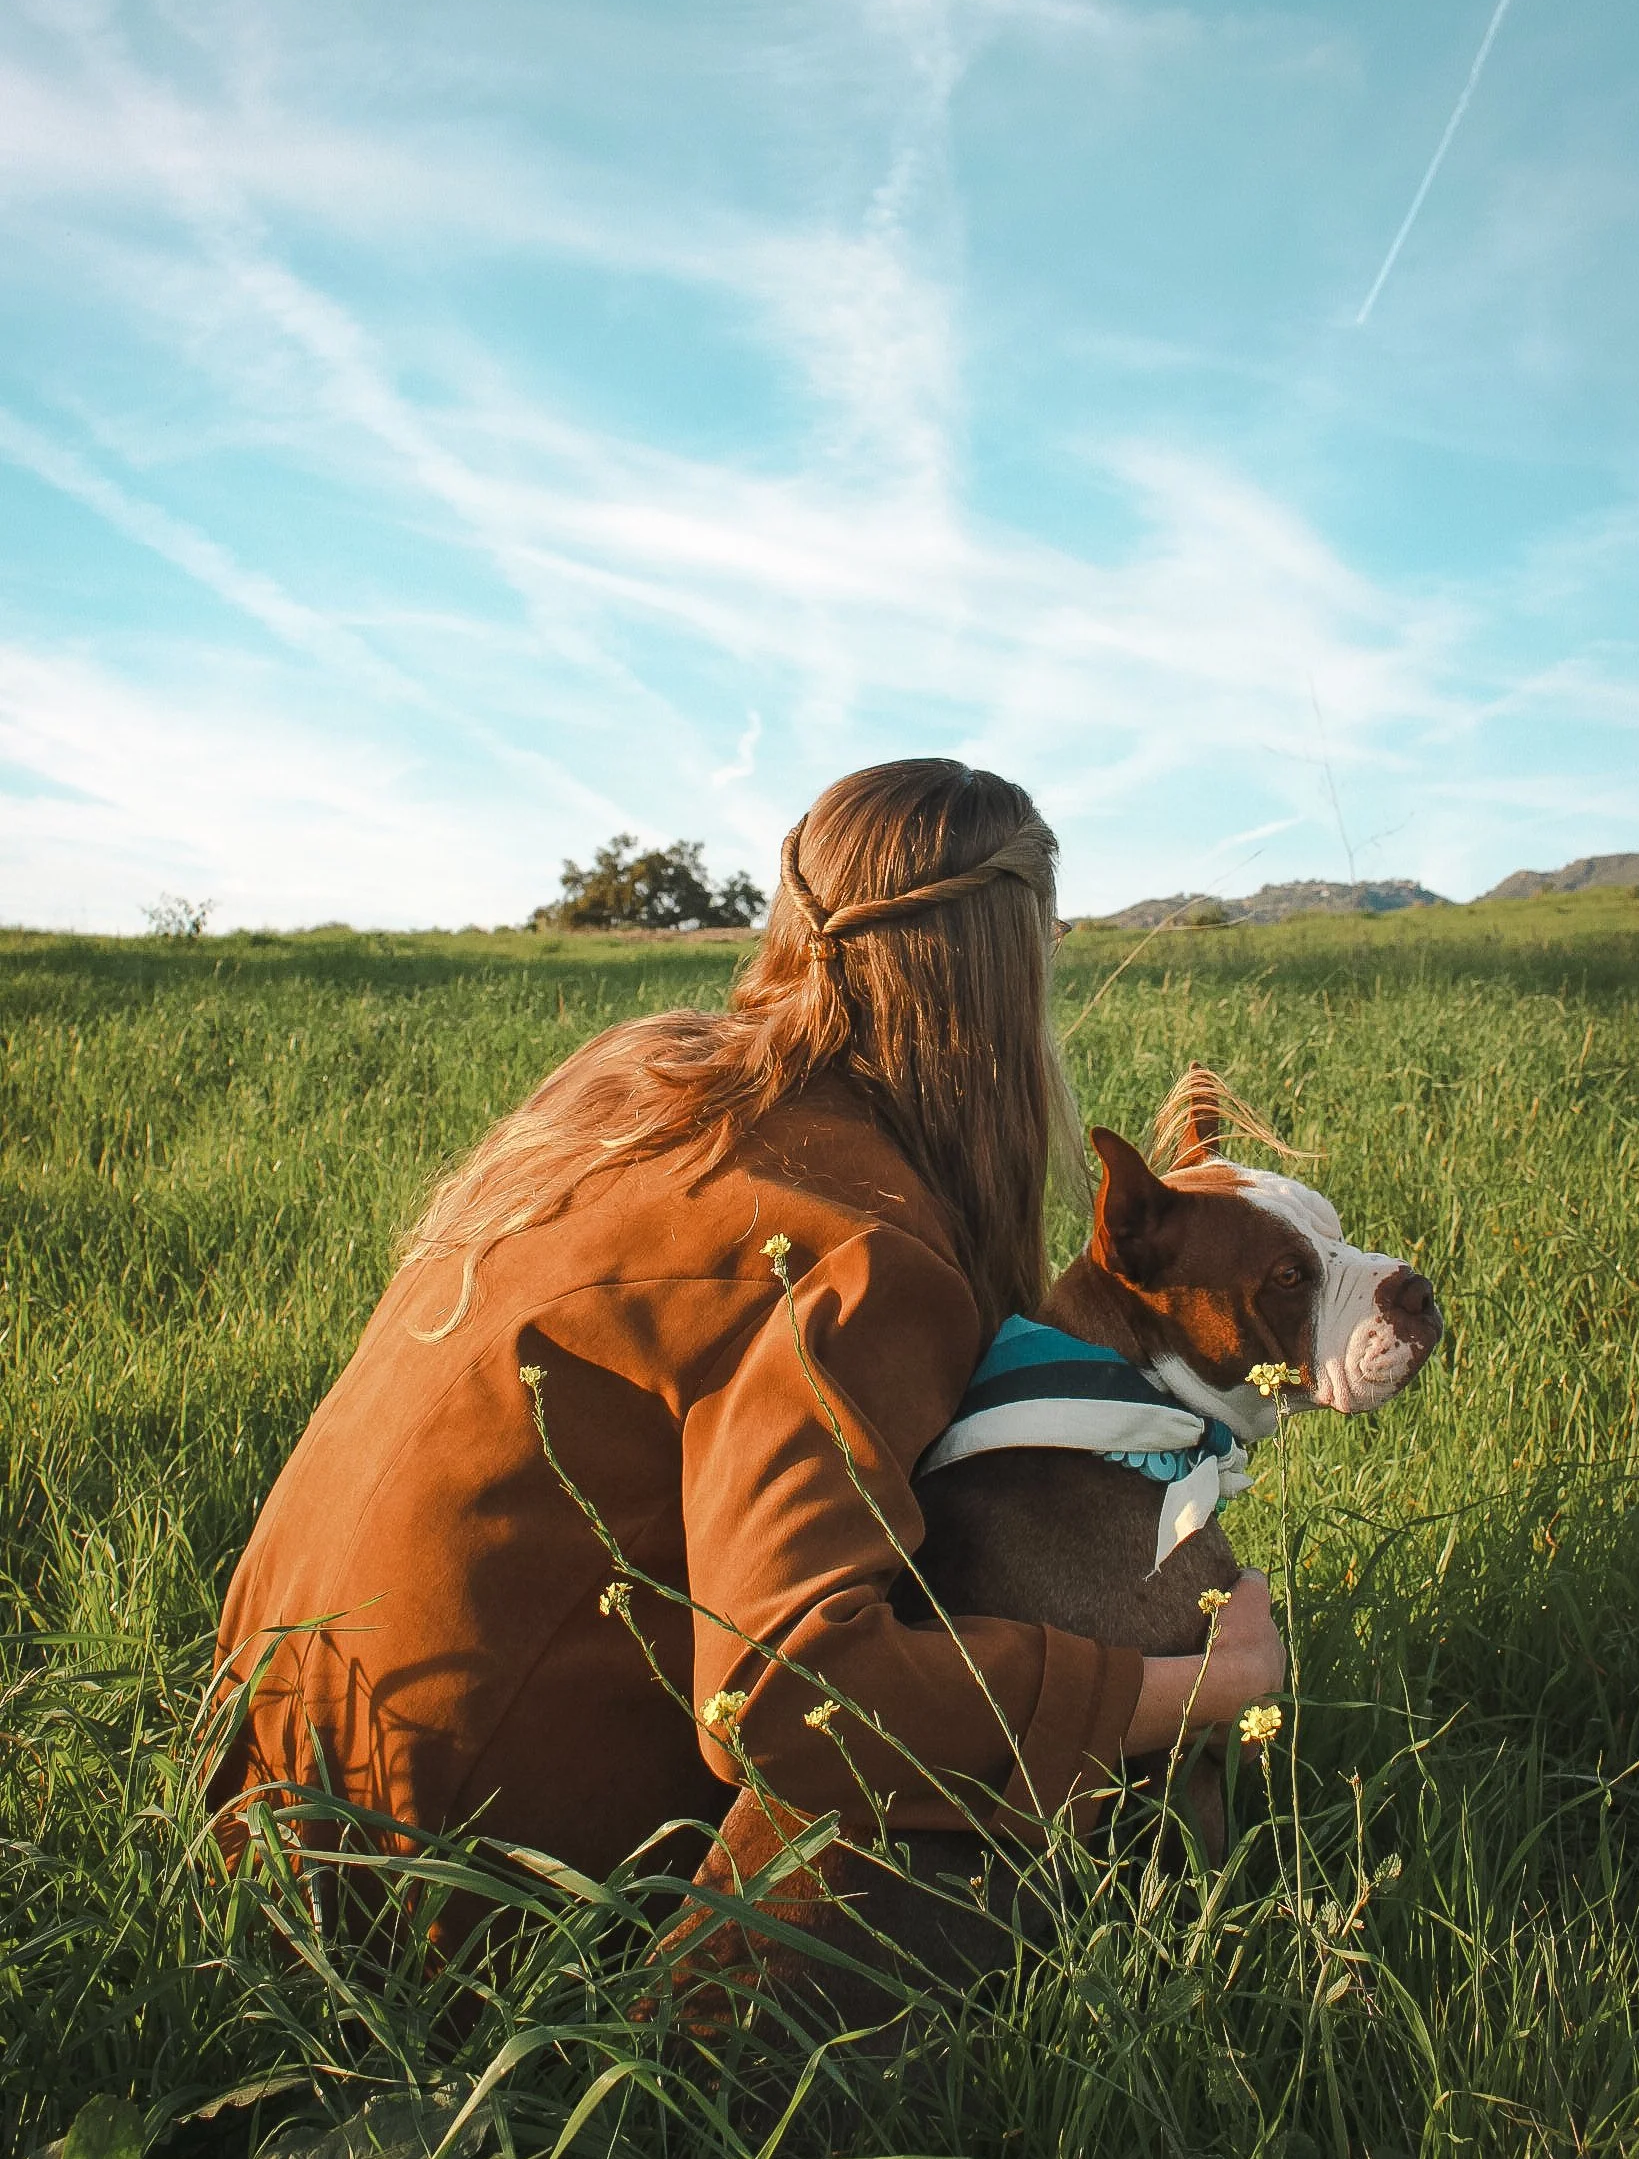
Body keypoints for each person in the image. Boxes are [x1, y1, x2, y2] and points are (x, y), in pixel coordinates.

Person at [209, 758, 1284, 1884]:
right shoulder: (861, 1248)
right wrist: (1195, 1685)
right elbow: (791, 1692)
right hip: (449, 1890)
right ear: (1010, 979)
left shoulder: (637, 1091)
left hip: (264, 1792)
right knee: (1014, 1812)